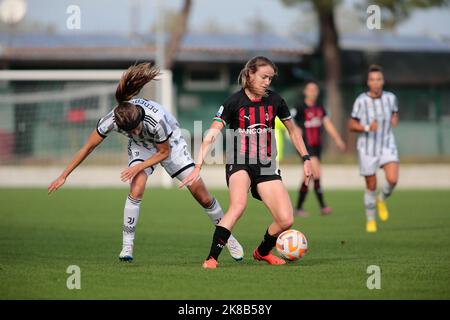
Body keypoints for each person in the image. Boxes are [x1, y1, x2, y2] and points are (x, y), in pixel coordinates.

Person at [48, 62, 244, 261]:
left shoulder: (155, 121)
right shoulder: (111, 121)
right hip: (142, 145)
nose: (134, 131)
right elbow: (87, 147)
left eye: (135, 127)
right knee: (137, 186)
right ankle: (127, 247)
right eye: (129, 131)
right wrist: (64, 175)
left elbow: (163, 152)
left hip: (170, 144)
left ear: (139, 117)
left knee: (201, 195)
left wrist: (139, 166)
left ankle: (227, 237)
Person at [180, 56, 312, 269]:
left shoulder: (276, 100)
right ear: (250, 74)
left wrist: (306, 158)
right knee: (238, 206)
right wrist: (198, 165)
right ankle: (212, 257)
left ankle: (261, 252)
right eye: (263, 77)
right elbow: (212, 135)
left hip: (267, 166)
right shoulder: (233, 102)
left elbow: (293, 131)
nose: (267, 82)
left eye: (270, 78)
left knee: (286, 220)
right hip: (239, 162)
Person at [348, 64, 399, 233]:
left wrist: (394, 119)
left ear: (383, 81)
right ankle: (370, 220)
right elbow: (351, 124)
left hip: (386, 143)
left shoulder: (391, 98)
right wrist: (368, 127)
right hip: (367, 148)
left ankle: (382, 199)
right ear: (368, 82)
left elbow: (394, 113)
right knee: (371, 185)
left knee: (392, 179)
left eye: (378, 79)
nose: (376, 83)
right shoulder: (361, 101)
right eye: (372, 80)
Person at [292, 81, 346, 217]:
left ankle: (298, 208)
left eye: (315, 89)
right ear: (305, 91)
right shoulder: (299, 108)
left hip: (317, 146)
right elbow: (291, 124)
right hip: (306, 147)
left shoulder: (320, 108)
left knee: (308, 176)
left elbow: (327, 124)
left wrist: (338, 139)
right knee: (316, 173)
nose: (313, 92)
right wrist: (296, 133)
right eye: (310, 89)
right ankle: (323, 206)